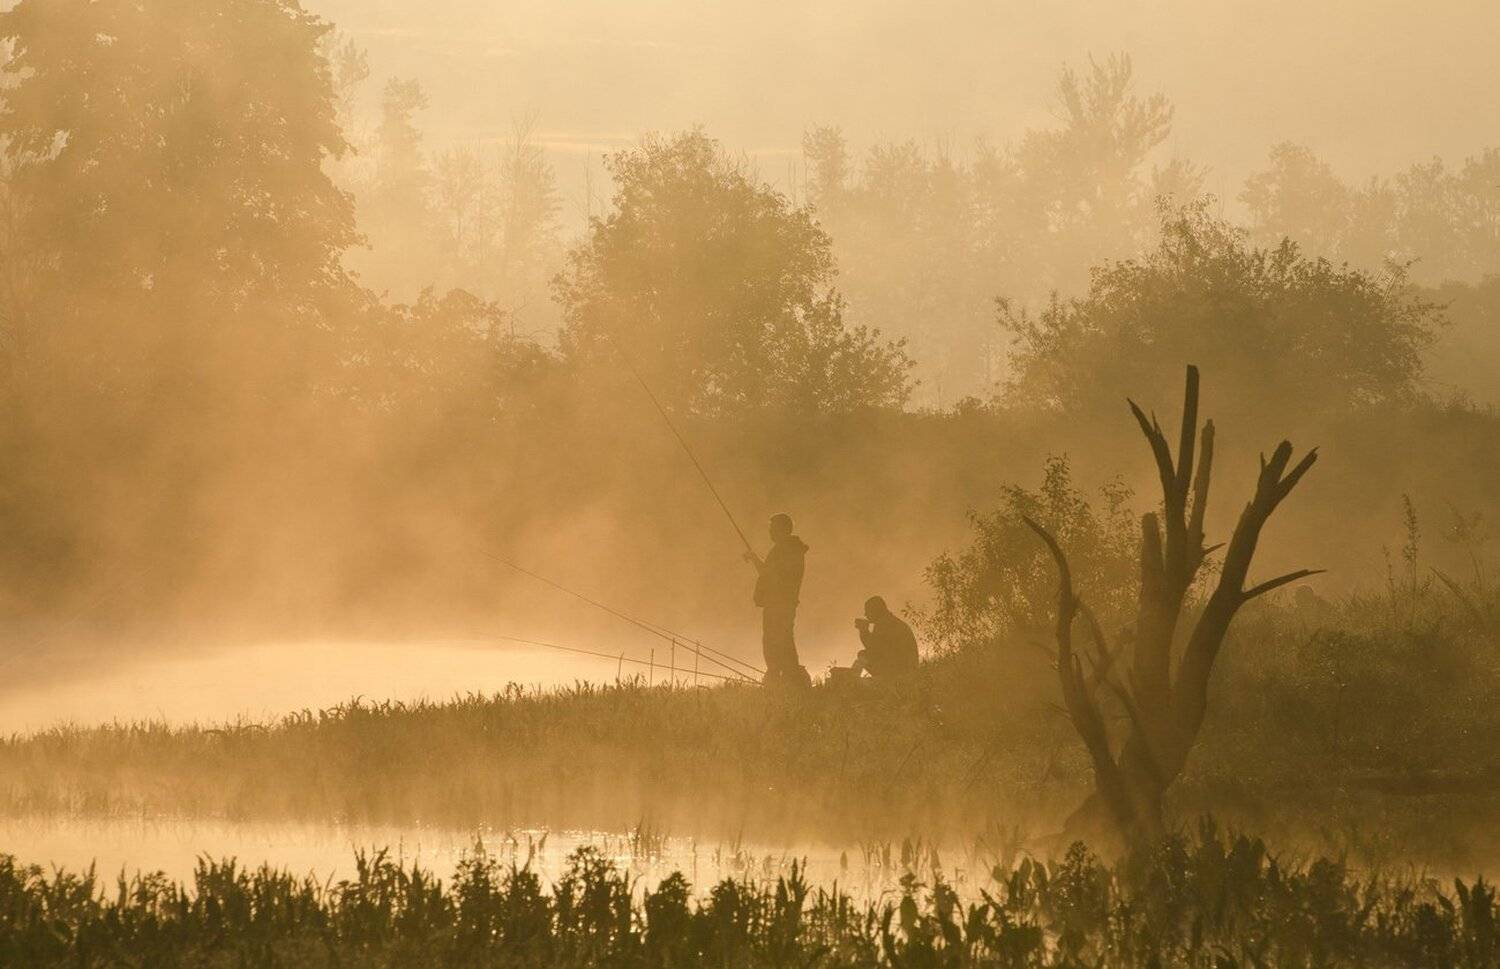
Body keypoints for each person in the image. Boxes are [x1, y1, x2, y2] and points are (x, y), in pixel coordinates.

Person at [744, 514, 811, 687]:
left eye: (772, 528)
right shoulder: (790, 548)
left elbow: (769, 574)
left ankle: (783, 680)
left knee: (776, 641)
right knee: (782, 640)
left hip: (779, 604)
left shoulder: (785, 549)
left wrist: (754, 559)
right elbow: (770, 573)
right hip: (782, 603)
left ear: (782, 529)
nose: (770, 532)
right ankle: (787, 679)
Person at [852, 596, 919, 681]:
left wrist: (863, 630)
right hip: (907, 668)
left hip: (900, 670)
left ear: (875, 610)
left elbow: (873, 649)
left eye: (867, 611)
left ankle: (851, 679)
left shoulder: (885, 624)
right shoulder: (889, 621)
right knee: (865, 654)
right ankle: (852, 677)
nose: (865, 614)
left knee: (864, 655)